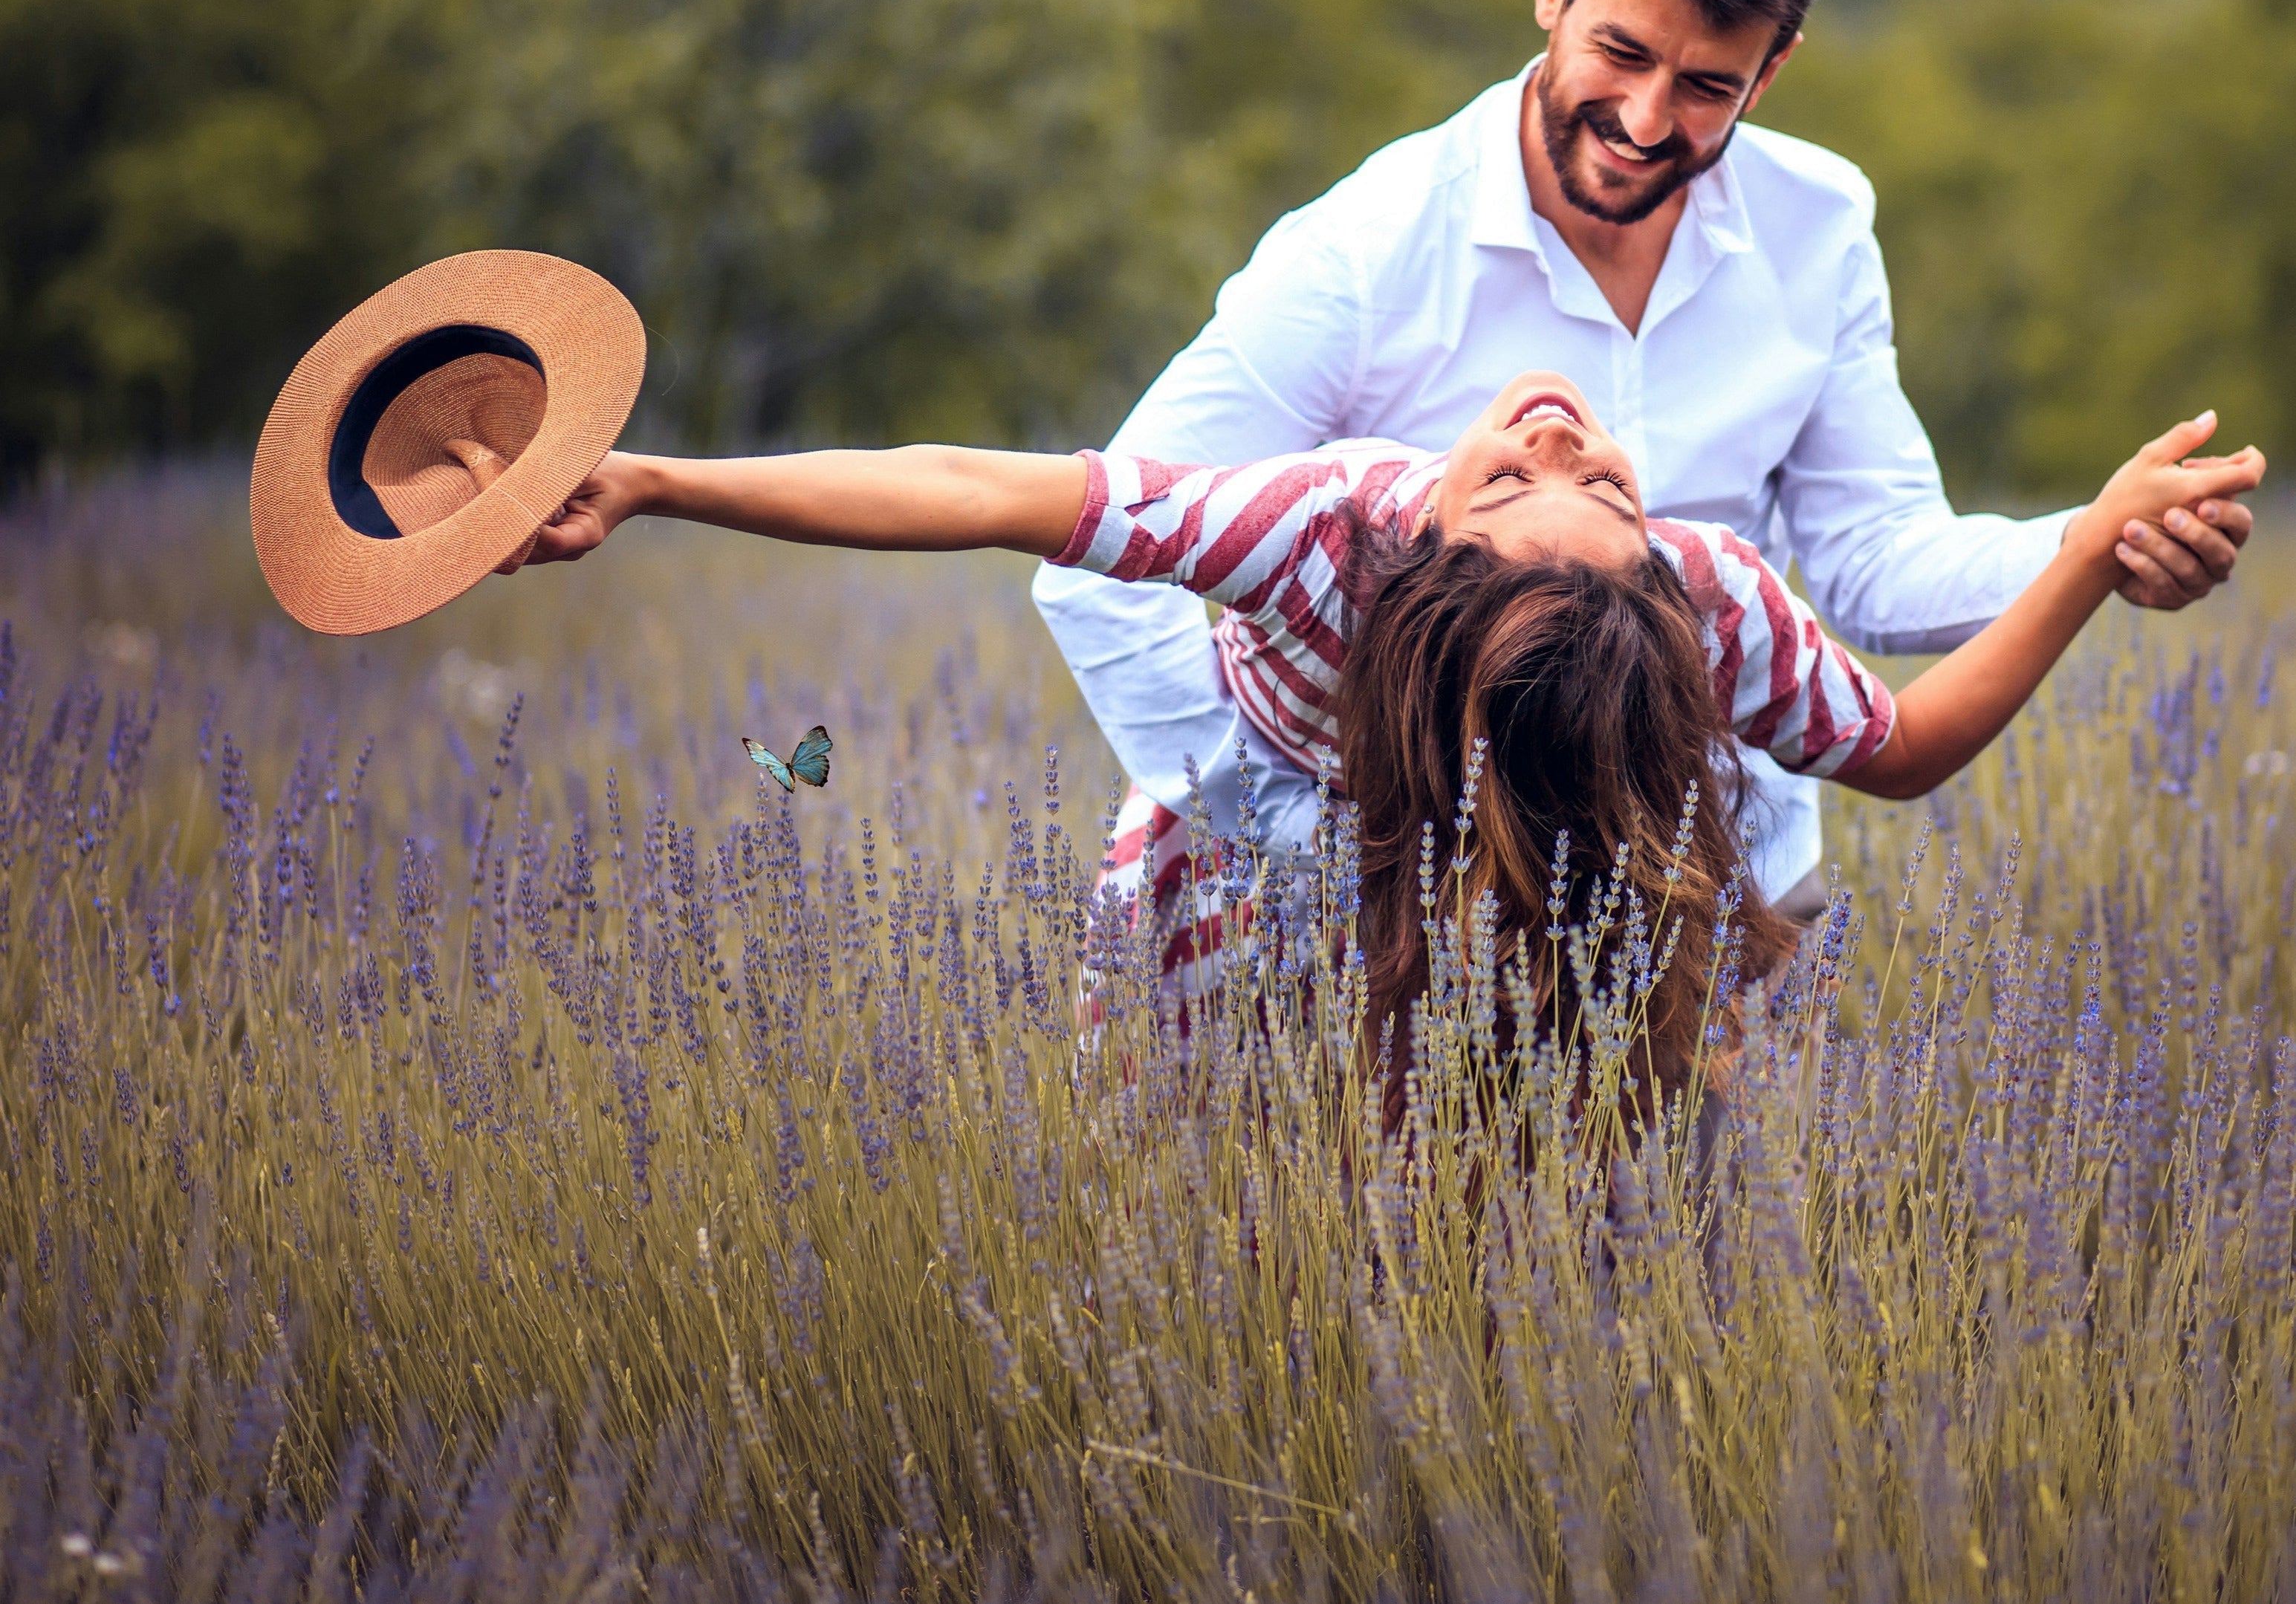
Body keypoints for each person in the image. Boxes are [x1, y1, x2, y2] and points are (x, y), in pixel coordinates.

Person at [1030, 0, 2255, 968]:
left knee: (1701, 1206)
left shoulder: (1817, 228)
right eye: (1619, 52)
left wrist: (2094, 541)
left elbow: (1872, 557)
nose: (1643, 118)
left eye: (1706, 85)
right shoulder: (1362, 250)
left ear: (1769, 73)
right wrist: (1307, 838)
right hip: (1378, 920)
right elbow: (1095, 560)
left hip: (1706, 891)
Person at [501, 374, 2263, 1120]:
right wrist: (654, 481)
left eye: (1563, 482)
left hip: (1533, 865)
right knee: (1222, 1154)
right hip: (1257, 865)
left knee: (1512, 1140)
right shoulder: (1364, 534)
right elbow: (972, 492)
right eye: (1547, 480)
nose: (1564, 442)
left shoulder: (1594, 577)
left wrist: (2091, 550)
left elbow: (1908, 746)